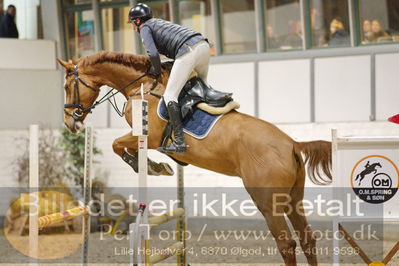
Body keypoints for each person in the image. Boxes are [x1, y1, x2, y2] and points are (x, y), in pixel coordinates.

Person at [128, 3, 210, 154]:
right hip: (203, 46)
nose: (133, 28)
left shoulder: (145, 28)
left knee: (170, 95)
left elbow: (152, 54)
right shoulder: (159, 22)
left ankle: (179, 142)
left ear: (138, 21)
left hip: (188, 50)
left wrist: (156, 70)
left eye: (133, 23)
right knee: (202, 89)